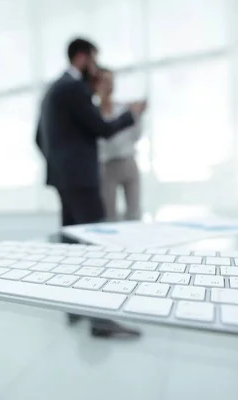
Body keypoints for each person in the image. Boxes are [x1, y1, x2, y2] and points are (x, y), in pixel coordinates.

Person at [35, 38, 146, 338]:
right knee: (96, 246)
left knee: (72, 246)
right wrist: (132, 113)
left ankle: (75, 310)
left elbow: (37, 138)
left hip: (63, 178)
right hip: (81, 179)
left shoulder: (52, 90)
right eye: (94, 61)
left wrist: (61, 166)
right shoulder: (74, 88)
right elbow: (103, 129)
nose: (95, 68)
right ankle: (102, 321)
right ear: (82, 58)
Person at [95, 68, 143, 221]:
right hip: (106, 165)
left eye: (111, 81)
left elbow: (136, 135)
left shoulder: (124, 108)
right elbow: (101, 138)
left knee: (134, 212)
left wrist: (136, 115)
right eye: (105, 81)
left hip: (127, 161)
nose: (109, 86)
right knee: (108, 214)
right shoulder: (93, 113)